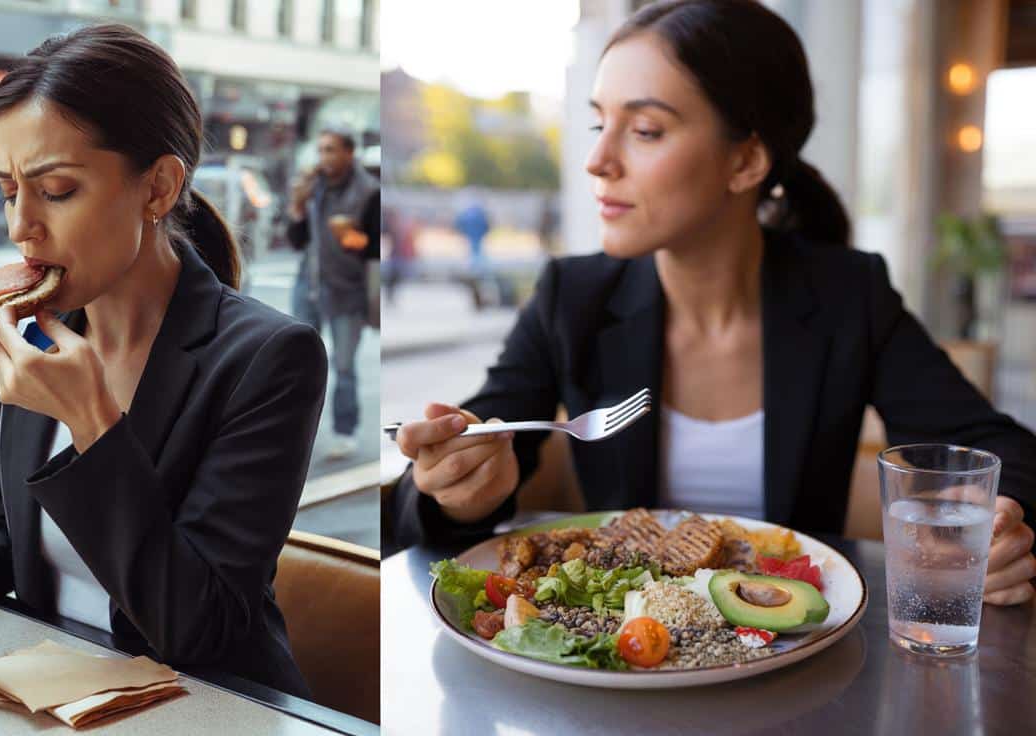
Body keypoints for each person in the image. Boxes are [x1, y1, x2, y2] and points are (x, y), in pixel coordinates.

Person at [389, 0, 1036, 607]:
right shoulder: (573, 296)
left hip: (790, 654)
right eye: (597, 122)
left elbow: (999, 451)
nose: (596, 160)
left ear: (747, 159)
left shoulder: (846, 295)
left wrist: (999, 520)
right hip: (616, 664)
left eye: (644, 130)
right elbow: (431, 494)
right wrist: (461, 489)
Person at [0, 23, 328, 696]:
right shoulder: (39, 334)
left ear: (158, 188)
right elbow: (5, 555)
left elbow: (200, 631)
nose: (20, 225)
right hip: (54, 696)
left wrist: (91, 421)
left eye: (55, 190)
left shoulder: (270, 358)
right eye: (6, 189)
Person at [287, 128, 380, 460]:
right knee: (296, 363)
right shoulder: (313, 186)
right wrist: (298, 209)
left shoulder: (370, 193)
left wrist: (351, 237)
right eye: (321, 149)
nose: (324, 157)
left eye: (331, 150)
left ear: (349, 154)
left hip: (347, 290)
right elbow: (297, 241)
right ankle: (292, 432)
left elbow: (372, 250)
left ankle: (345, 432)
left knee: (343, 366)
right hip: (308, 285)